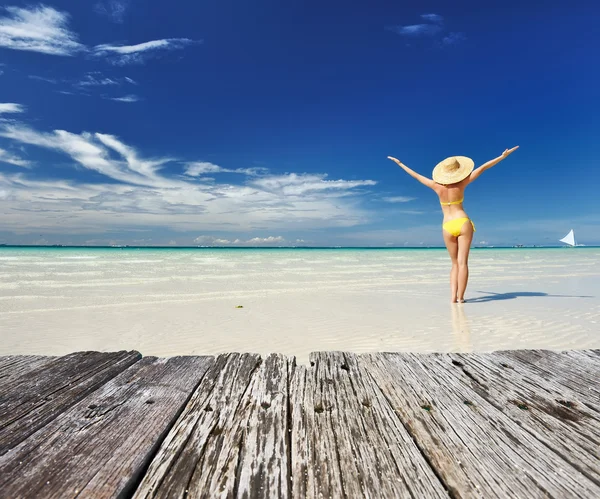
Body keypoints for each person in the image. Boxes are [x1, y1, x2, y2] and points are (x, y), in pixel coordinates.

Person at [387, 147, 519, 303]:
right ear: (458, 171)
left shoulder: (436, 187)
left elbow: (416, 175)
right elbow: (483, 167)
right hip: (462, 222)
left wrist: (400, 163)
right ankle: (461, 297)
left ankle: (452, 298)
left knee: (454, 264)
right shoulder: (462, 183)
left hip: (447, 226)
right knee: (463, 263)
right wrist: (502, 156)